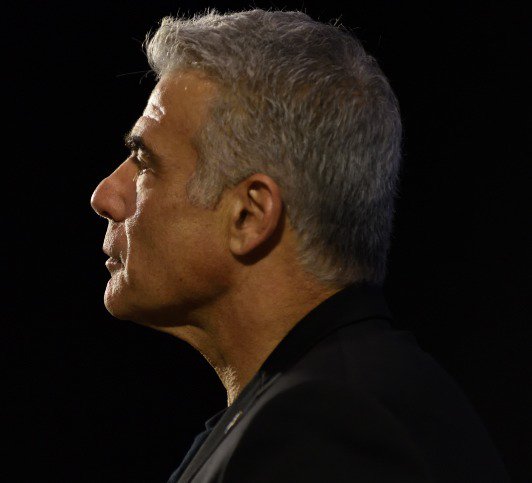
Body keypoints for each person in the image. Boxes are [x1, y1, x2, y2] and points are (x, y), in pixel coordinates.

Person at [90, 9, 508, 483]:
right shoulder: (320, 401)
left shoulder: (325, 429)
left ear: (249, 216)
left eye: (145, 162)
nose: (105, 195)